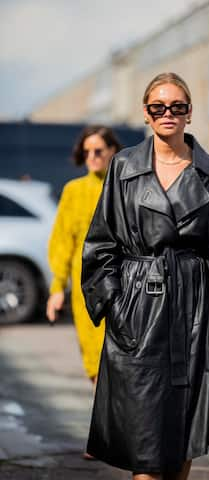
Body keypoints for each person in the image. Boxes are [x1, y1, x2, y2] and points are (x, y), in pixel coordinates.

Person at [81, 72, 209, 480]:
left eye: (177, 106)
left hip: (192, 316)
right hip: (138, 314)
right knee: (147, 455)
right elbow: (100, 245)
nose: (167, 114)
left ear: (189, 113)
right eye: (158, 107)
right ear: (146, 113)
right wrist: (117, 306)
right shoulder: (124, 167)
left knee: (180, 446)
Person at [46, 125, 121, 386]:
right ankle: (107, 422)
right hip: (86, 288)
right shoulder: (73, 191)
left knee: (123, 362)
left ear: (113, 151)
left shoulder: (125, 187)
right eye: (86, 151)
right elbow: (62, 241)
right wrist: (57, 288)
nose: (92, 157)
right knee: (93, 359)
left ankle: (120, 423)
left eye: (98, 150)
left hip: (124, 285)